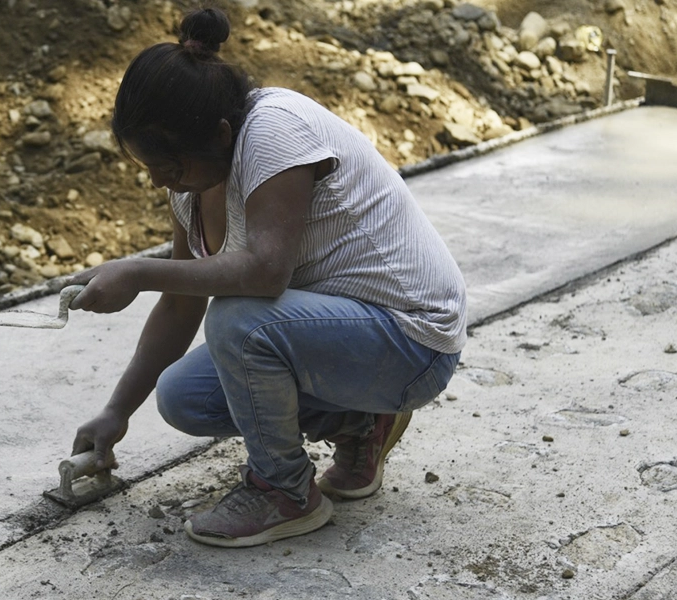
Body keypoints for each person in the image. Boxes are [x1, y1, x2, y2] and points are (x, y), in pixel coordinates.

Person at [66, 7, 467, 548]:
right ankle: (359, 423)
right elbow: (179, 305)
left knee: (240, 319)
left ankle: (284, 491)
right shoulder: (191, 180)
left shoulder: (275, 131)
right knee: (183, 397)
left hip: (413, 340)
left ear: (221, 133)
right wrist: (116, 412)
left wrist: (134, 269)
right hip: (347, 339)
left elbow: (264, 272)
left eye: (171, 165)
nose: (161, 180)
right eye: (150, 167)